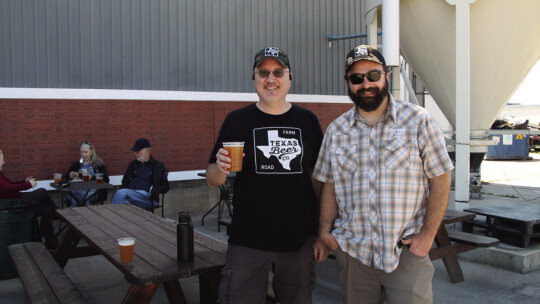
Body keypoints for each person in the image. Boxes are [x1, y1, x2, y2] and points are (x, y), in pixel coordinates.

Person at [312, 45, 454, 304]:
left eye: (373, 75)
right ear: (348, 83)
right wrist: (324, 231)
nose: (366, 84)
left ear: (386, 76)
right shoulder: (336, 130)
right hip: (354, 254)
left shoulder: (418, 121)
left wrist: (427, 236)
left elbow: (441, 180)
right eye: (357, 78)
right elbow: (329, 185)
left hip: (406, 251)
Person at [206, 46, 324, 304]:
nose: (271, 79)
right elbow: (212, 179)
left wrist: (321, 230)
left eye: (278, 72)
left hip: (298, 239)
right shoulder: (236, 120)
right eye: (263, 72)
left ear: (290, 77)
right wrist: (220, 168)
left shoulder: (308, 120)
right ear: (255, 79)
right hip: (248, 239)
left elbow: (318, 180)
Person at [0, 149, 59, 249]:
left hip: (17, 202)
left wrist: (24, 181)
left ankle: (51, 242)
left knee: (46, 208)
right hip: (13, 206)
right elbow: (5, 189)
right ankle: (57, 212)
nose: (4, 162)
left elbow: (10, 185)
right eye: (2, 159)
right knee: (42, 192)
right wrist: (27, 185)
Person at [110, 138, 169, 210]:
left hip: (147, 198)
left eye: (138, 151)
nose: (135, 154)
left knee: (121, 193)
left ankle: (111, 217)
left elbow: (166, 186)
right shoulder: (133, 165)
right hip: (130, 195)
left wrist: (155, 190)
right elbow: (124, 181)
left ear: (147, 151)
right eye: (135, 151)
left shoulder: (157, 166)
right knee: (125, 203)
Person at [64, 142, 110, 206]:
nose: (83, 154)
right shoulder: (76, 165)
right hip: (75, 190)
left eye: (86, 152)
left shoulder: (98, 165)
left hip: (92, 192)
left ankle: (78, 215)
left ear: (91, 152)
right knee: (77, 194)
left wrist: (92, 178)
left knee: (77, 197)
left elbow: (106, 180)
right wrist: (70, 176)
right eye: (82, 152)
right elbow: (64, 179)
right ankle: (86, 215)